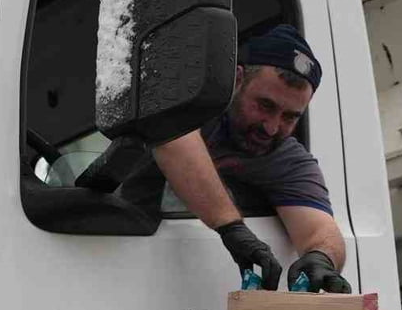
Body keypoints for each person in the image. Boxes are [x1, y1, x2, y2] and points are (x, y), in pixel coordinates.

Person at [127, 24, 351, 294]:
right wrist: (232, 229)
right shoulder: (190, 112)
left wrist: (321, 258)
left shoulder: (287, 159)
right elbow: (171, 137)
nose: (271, 127)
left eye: (290, 117)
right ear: (237, 80)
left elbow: (322, 231)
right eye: (265, 106)